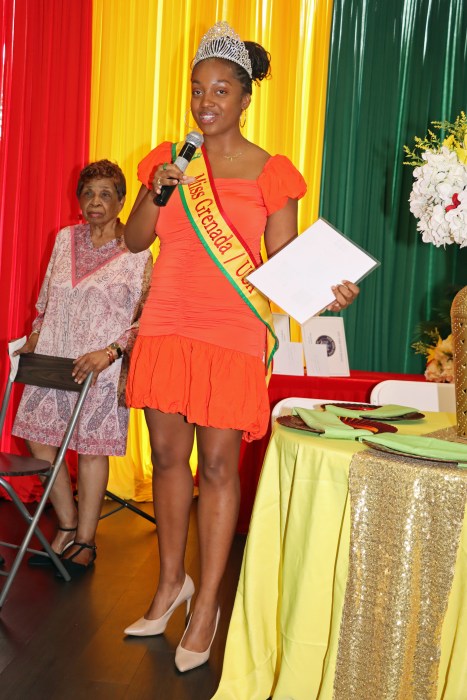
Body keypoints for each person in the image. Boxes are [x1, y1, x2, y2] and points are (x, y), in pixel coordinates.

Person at [123, 21, 359, 671]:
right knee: (168, 459)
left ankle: (207, 608)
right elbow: (134, 241)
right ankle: (172, 587)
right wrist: (155, 188)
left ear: (244, 98)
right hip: (167, 323)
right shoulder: (169, 160)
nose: (206, 102)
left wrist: (325, 292)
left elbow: (283, 264)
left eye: (220, 90)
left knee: (218, 467)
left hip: (230, 332)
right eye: (198, 89)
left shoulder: (271, 172)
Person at [12, 160, 152, 574]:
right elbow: (46, 302)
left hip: (99, 368)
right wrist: (35, 337)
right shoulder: (64, 239)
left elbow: (145, 318)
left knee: (91, 452)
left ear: (122, 201)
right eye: (88, 193)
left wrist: (109, 352)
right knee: (40, 443)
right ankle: (68, 522)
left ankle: (87, 541)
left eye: (106, 194)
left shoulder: (138, 249)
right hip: (53, 360)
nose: (96, 202)